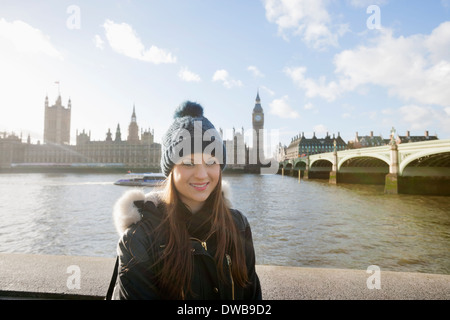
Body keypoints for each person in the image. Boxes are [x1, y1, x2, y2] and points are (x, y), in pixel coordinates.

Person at [111, 101, 262, 300]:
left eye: (211, 162)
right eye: (188, 163)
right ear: (170, 170)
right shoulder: (139, 237)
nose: (201, 174)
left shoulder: (238, 225)